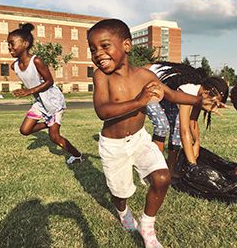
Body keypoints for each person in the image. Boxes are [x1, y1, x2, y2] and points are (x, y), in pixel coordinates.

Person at [88, 19, 219, 248]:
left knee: (162, 177)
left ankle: (147, 227)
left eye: (105, 46)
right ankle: (123, 211)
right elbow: (102, 111)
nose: (98, 53)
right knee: (120, 193)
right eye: (93, 49)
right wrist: (139, 100)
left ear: (127, 45)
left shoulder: (144, 76)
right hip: (114, 145)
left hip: (139, 139)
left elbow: (171, 94)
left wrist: (200, 100)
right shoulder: (101, 76)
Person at [8, 23, 83, 164]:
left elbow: (49, 81)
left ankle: (77, 155)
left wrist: (28, 91)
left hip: (53, 101)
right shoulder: (15, 66)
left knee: (54, 137)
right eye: (8, 44)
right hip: (40, 102)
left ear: (25, 43)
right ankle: (48, 123)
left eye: (12, 44)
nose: (9, 47)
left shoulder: (36, 61)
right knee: (25, 130)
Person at [145, 62, 229, 177]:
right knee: (162, 125)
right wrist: (193, 165)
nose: (212, 107)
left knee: (175, 125)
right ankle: (153, 170)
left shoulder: (200, 94)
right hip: (144, 81)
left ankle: (171, 167)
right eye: (213, 103)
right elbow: (184, 130)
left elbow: (192, 121)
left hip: (164, 89)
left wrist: (197, 143)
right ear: (207, 93)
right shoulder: (190, 89)